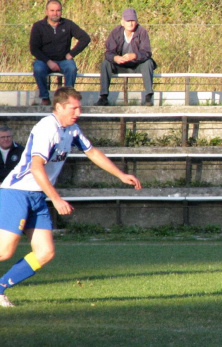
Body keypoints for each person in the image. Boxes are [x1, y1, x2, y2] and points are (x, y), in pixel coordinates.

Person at [0, 87, 142, 307]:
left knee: (45, 252)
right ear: (59, 107)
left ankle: (0, 288)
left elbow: (92, 152)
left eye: (80, 107)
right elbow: (36, 168)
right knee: (5, 251)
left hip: (37, 196)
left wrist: (121, 175)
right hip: (17, 193)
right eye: (74, 107)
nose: (78, 111)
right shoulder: (48, 128)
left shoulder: (72, 129)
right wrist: (56, 199)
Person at [30, 0, 91, 106]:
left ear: (61, 11)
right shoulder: (38, 26)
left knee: (71, 68)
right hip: (44, 60)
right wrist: (48, 62)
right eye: (52, 10)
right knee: (38, 69)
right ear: (47, 11)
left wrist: (71, 54)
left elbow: (85, 38)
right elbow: (34, 48)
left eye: (58, 10)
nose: (55, 13)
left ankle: (67, 98)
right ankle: (45, 97)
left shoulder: (68, 24)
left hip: (63, 59)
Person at [95, 8, 157, 107]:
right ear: (122, 22)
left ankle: (148, 96)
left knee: (148, 62)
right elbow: (108, 52)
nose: (130, 23)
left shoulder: (142, 32)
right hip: (119, 65)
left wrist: (135, 55)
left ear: (136, 21)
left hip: (137, 65)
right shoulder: (115, 32)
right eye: (128, 21)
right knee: (105, 63)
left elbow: (147, 52)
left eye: (133, 20)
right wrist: (115, 58)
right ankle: (103, 97)